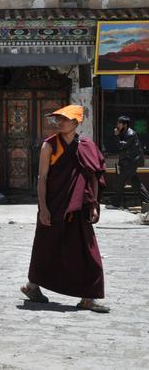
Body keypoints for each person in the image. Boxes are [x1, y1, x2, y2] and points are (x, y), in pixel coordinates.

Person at [21, 105, 109, 313]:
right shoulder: (49, 145)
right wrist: (43, 207)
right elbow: (42, 178)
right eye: (58, 118)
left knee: (88, 253)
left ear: (76, 123)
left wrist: (94, 204)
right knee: (46, 247)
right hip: (54, 205)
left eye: (64, 119)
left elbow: (93, 176)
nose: (59, 122)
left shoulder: (87, 146)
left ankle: (89, 296)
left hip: (79, 208)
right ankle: (32, 286)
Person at [108, 115, 149, 209]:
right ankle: (147, 200)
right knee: (136, 183)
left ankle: (115, 204)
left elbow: (122, 146)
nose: (117, 124)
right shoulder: (124, 132)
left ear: (125, 124)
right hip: (129, 162)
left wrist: (117, 135)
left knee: (120, 182)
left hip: (131, 162)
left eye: (119, 123)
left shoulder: (130, 134)